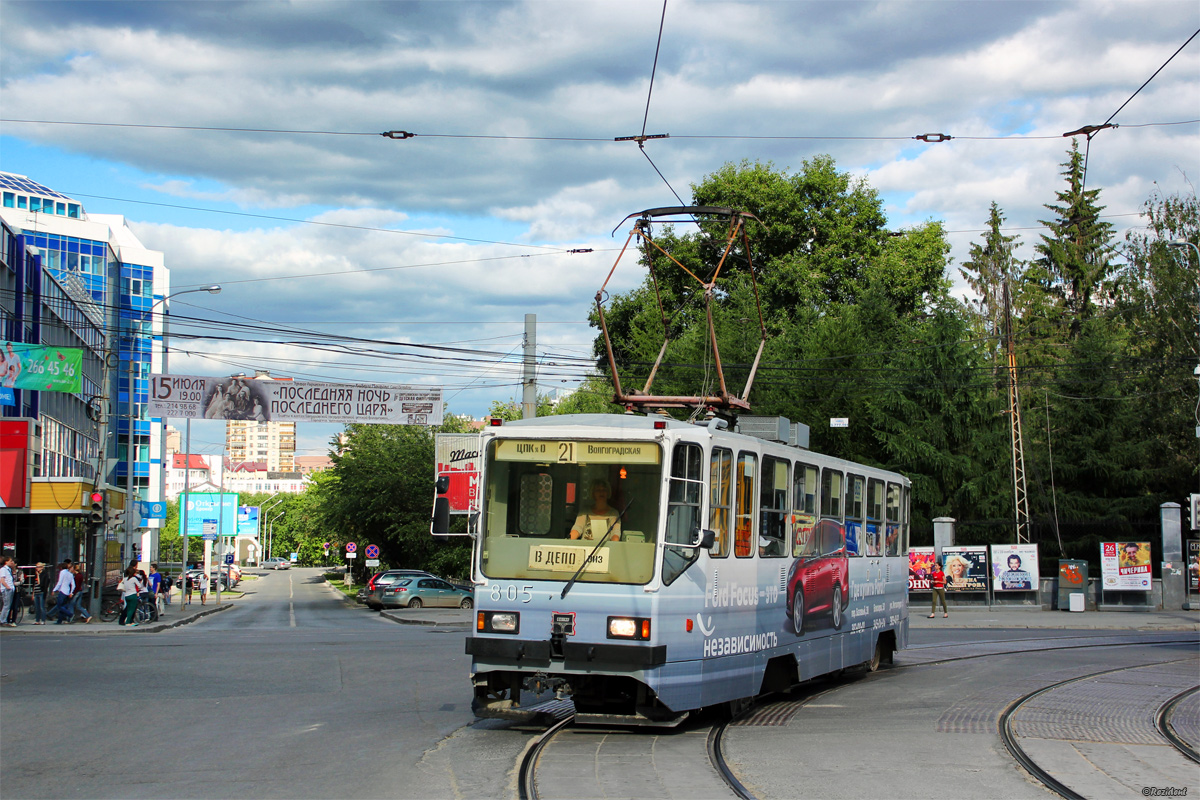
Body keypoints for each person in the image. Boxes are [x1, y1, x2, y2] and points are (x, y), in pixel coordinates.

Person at [0, 556, 15, 627]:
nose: (12, 562)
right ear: (6, 562)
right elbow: (2, 580)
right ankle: (2, 620)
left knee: (8, 606)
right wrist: (7, 587)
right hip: (6, 590)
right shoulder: (3, 569)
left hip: (10, 589)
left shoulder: (9, 570)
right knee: (6, 605)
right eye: (10, 561)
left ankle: (4, 620)